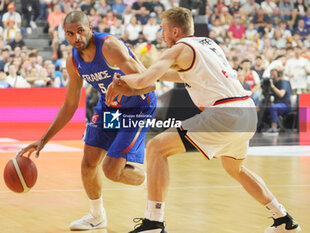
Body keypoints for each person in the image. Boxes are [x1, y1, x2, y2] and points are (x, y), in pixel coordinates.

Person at [106, 7, 301, 233]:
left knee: (157, 148)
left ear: (176, 31)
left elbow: (143, 80)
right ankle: (283, 219)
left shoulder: (178, 49)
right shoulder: (208, 44)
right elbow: (171, 75)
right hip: (246, 110)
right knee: (234, 168)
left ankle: (153, 223)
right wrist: (140, 76)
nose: (161, 34)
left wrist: (120, 79)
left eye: (163, 29)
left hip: (225, 113)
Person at [16, 10, 156, 231]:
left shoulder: (110, 47)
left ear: (90, 27)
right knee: (89, 162)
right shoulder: (73, 61)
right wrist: (43, 140)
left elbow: (150, 84)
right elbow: (70, 105)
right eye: (70, 34)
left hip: (138, 106)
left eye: (80, 31)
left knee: (111, 170)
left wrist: (125, 88)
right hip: (112, 108)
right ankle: (96, 216)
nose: (76, 38)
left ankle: (149, 178)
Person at [263, 69, 292, 136]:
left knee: (273, 108)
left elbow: (281, 94)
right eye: (271, 74)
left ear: (278, 74)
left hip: (285, 105)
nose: (272, 76)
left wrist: (272, 86)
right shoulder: (274, 83)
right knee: (265, 108)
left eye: (274, 74)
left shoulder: (283, 82)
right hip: (278, 104)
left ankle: (274, 128)